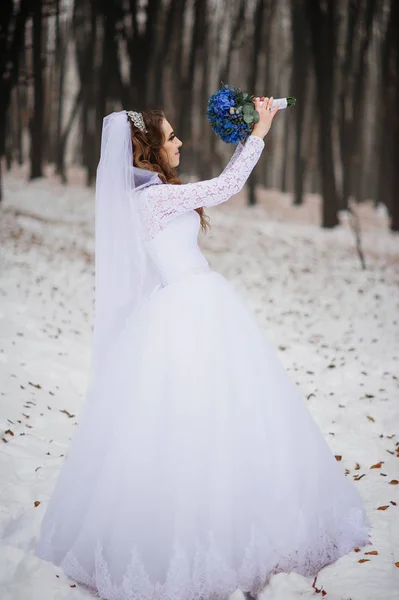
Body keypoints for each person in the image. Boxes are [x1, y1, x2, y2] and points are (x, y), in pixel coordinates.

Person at [35, 97, 370, 600]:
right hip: (192, 308)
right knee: (203, 421)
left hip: (190, 304)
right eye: (170, 137)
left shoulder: (149, 198)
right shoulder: (152, 200)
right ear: (147, 150)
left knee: (219, 417)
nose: (180, 142)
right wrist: (261, 128)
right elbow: (226, 187)